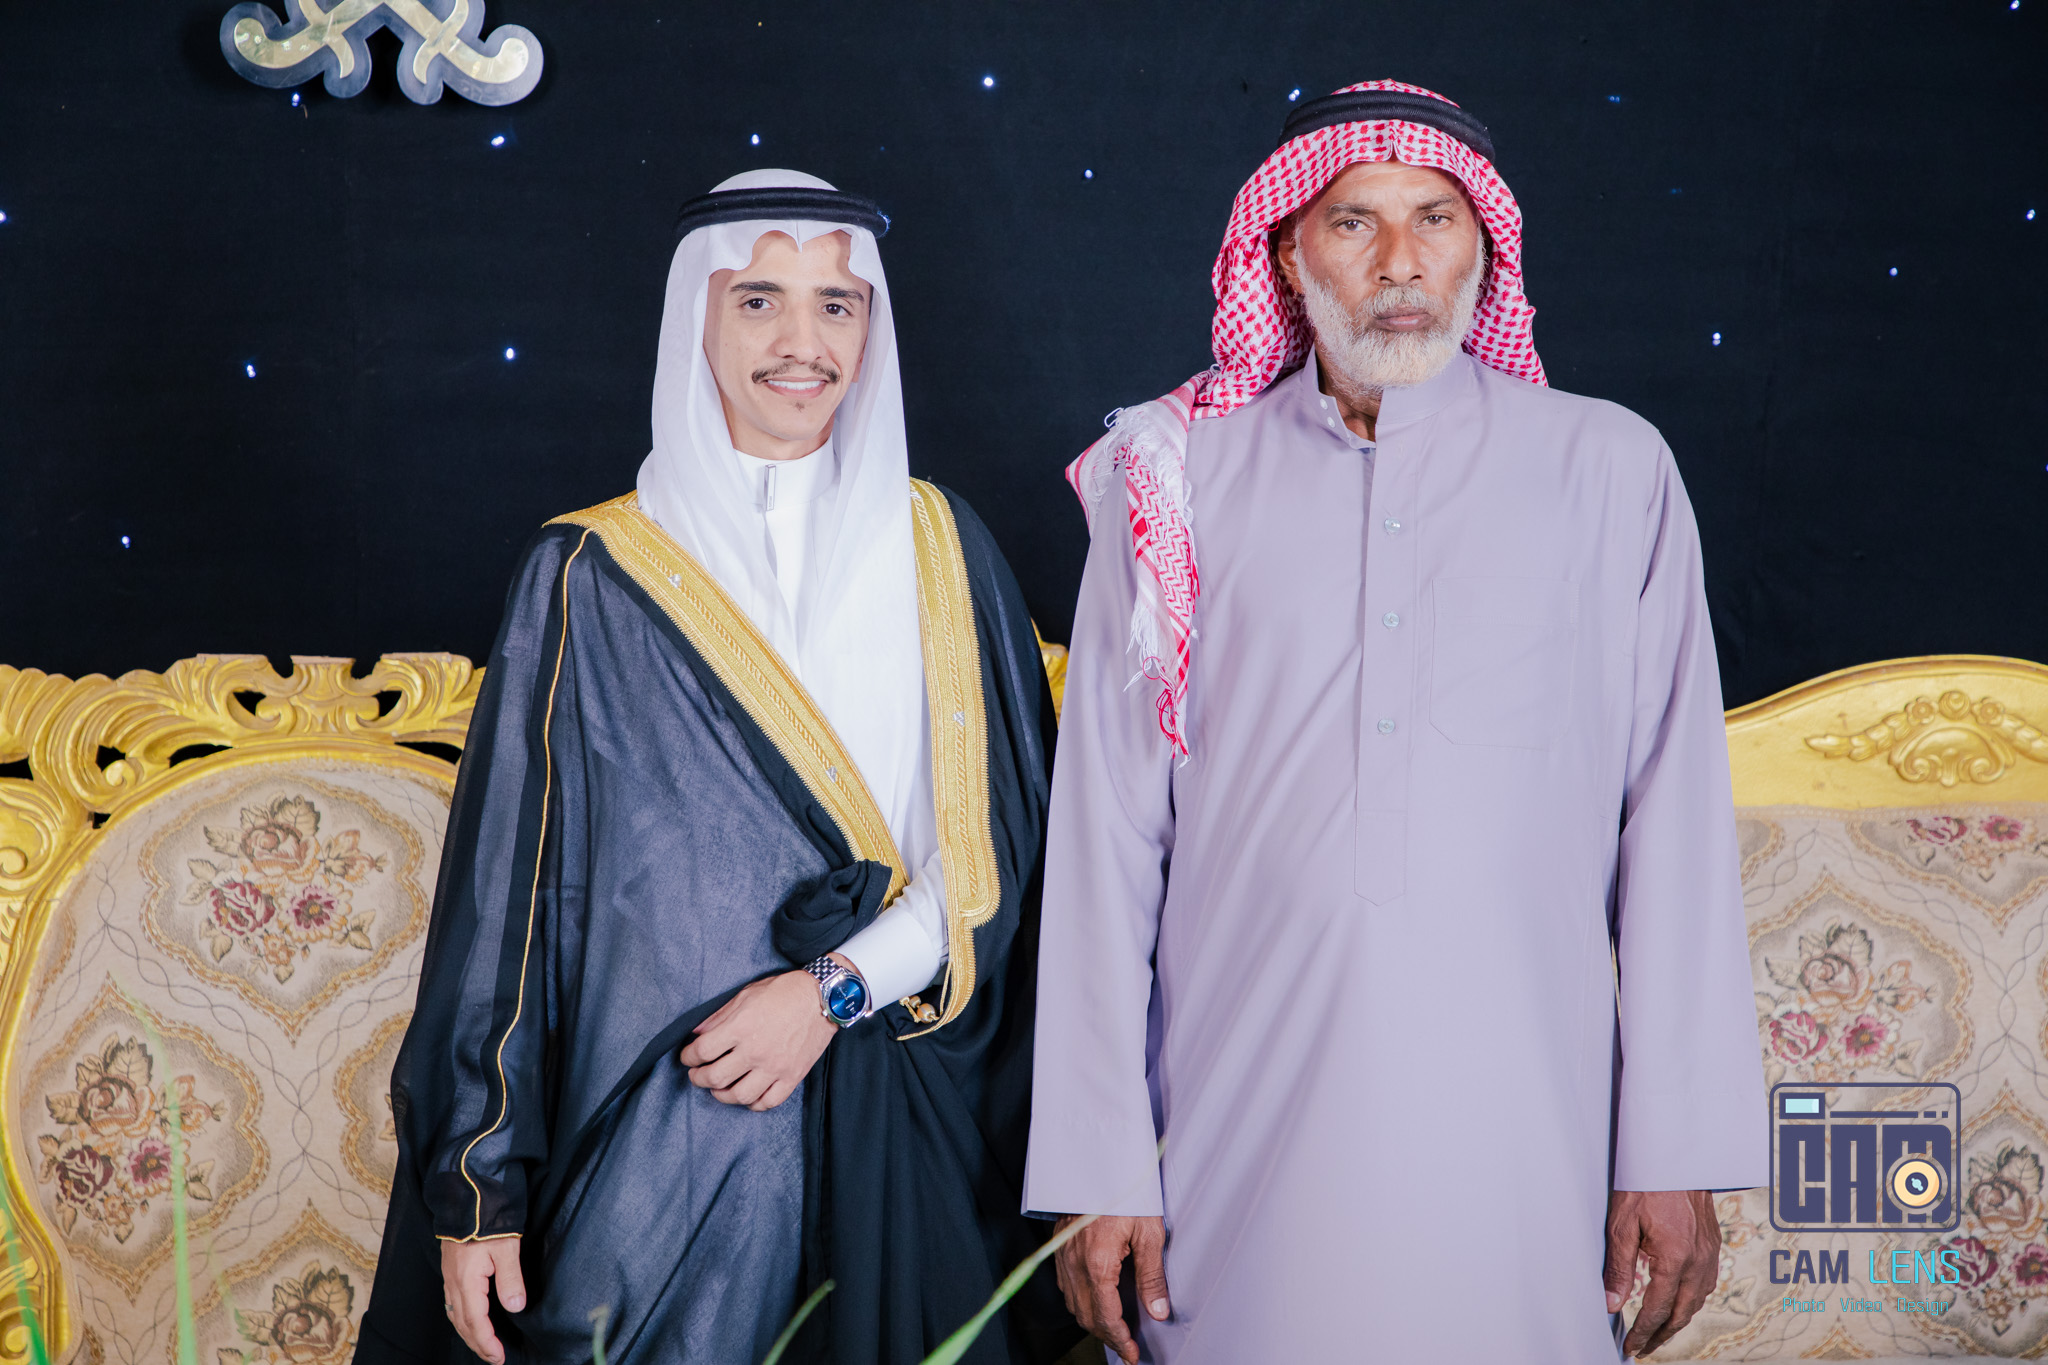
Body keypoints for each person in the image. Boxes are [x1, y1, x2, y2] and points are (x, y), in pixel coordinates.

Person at [1024, 82, 1767, 1363]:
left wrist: (1672, 1148)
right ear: (1283, 254)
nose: (1399, 262)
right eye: (1351, 222)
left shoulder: (1609, 470)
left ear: (1484, 246)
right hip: (1235, 1115)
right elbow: (1105, 838)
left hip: (1526, 1127)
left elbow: (1675, 829)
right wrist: (1099, 1161)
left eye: (1432, 218)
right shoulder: (1171, 478)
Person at [359, 170, 1069, 1365]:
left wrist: (830, 990)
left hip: (907, 1116)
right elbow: (511, 906)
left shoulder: (943, 548)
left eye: (836, 305)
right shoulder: (590, 571)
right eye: (758, 301)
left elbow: (999, 852)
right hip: (653, 1145)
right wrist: (480, 1185)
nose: (802, 343)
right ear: (696, 317)